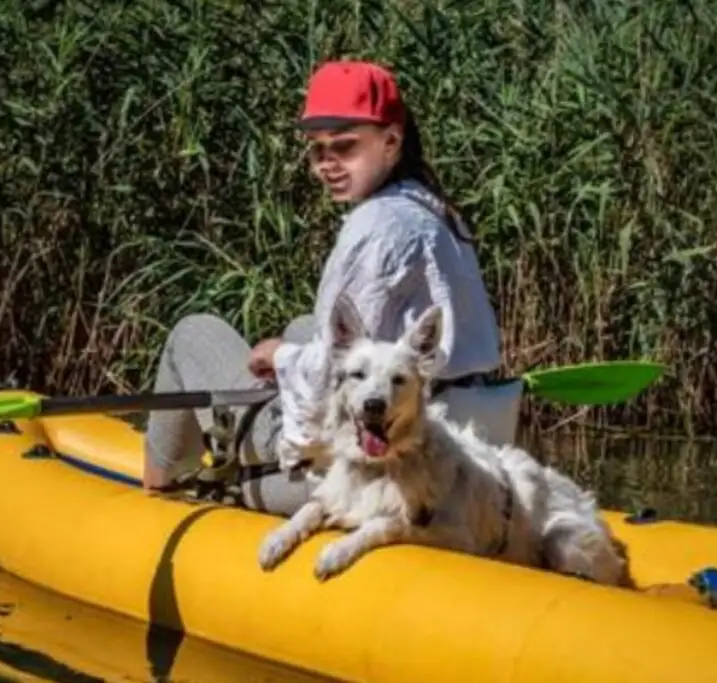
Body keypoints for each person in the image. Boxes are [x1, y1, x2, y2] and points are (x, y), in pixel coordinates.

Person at [142, 59, 523, 516]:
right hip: (458, 439)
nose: (327, 164)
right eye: (318, 149)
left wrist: (283, 362)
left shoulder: (375, 227)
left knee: (192, 333)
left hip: (386, 463)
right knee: (306, 327)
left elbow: (323, 399)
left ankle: (159, 490)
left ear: (391, 141)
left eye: (345, 146)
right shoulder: (436, 210)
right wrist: (291, 353)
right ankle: (210, 465)